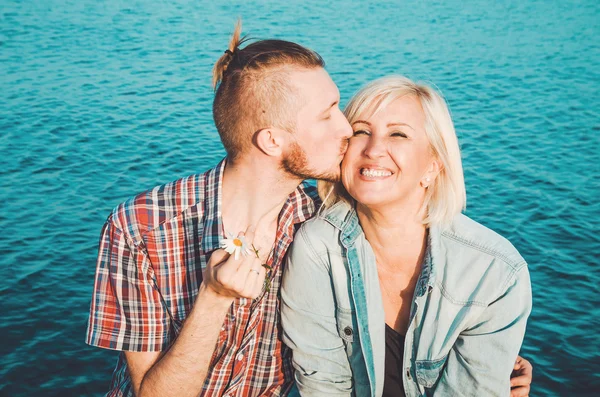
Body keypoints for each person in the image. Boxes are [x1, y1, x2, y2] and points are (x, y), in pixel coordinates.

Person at [86, 21, 352, 396]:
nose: (347, 128)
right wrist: (213, 298)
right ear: (272, 140)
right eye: (327, 115)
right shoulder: (139, 228)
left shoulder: (325, 220)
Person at [281, 76, 533, 397]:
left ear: (433, 165)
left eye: (397, 134)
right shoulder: (318, 249)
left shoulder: (494, 274)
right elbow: (324, 386)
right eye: (361, 131)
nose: (373, 150)